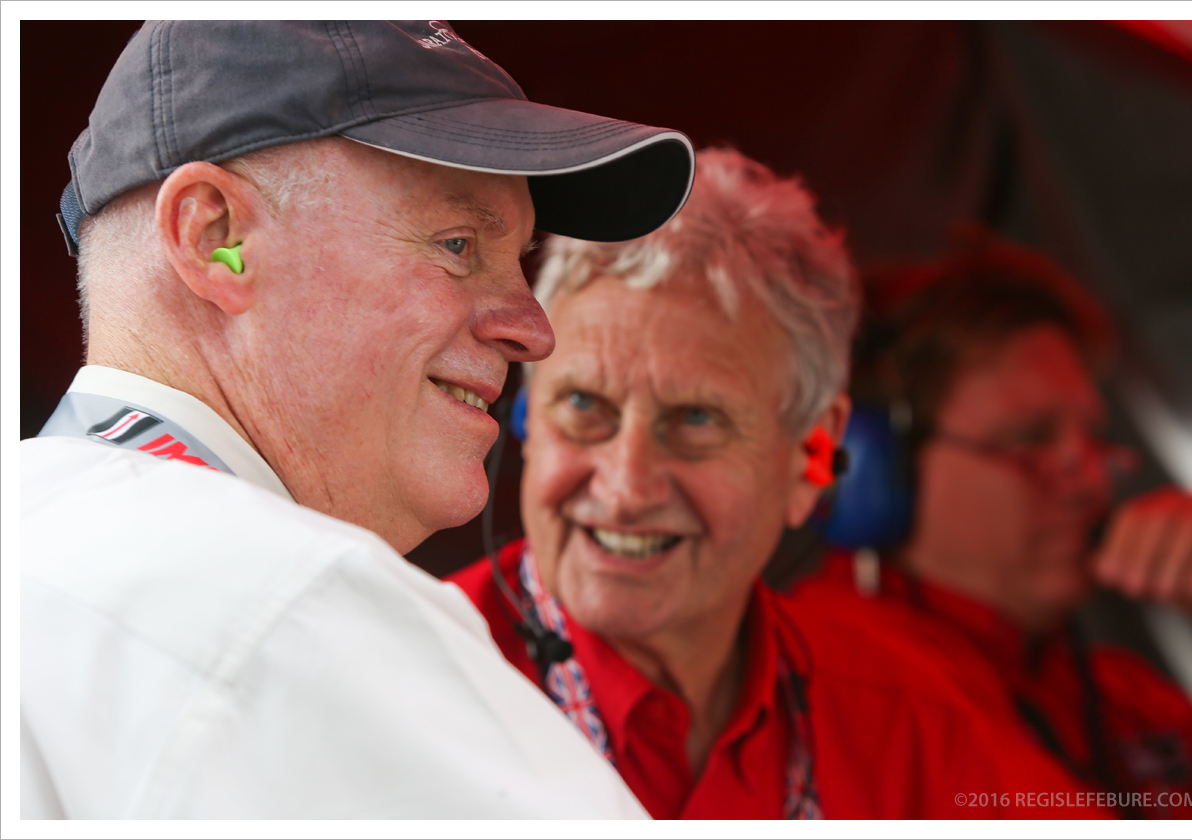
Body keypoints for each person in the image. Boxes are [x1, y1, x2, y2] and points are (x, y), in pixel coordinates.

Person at [21, 20, 696, 819]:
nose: (532, 330)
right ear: (215, 238)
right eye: (458, 244)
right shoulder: (292, 599)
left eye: (520, 259)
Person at [450, 149, 1113, 818]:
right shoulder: (414, 677)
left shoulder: (910, 719)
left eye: (697, 419)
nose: (625, 488)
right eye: (584, 406)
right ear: (528, 418)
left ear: (809, 460)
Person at [789, 238, 1192, 818]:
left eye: (1093, 440)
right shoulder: (830, 667)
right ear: (868, 462)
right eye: (1030, 439)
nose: (1092, 481)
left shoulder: (1126, 699)